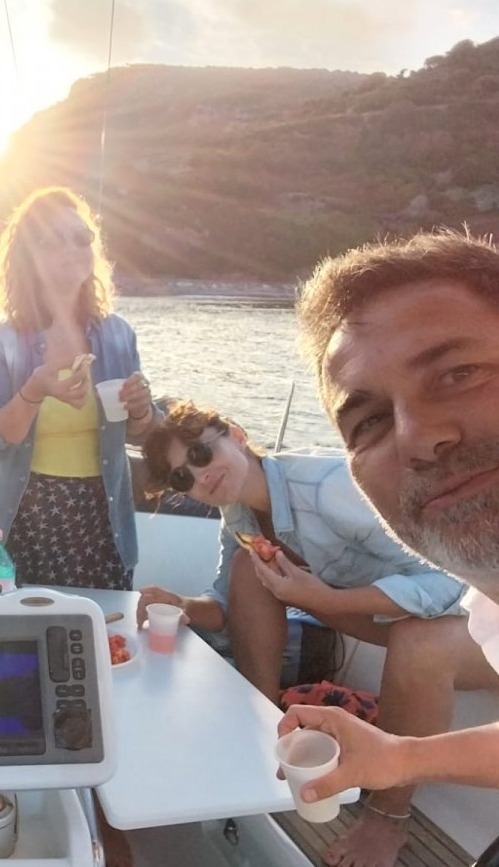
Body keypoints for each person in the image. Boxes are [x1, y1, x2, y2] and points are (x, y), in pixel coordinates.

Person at [275, 229, 499, 867]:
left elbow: (421, 602)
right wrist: (400, 755)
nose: (419, 439)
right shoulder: (491, 611)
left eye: (459, 374)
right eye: (368, 421)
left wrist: (320, 597)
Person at [138, 400, 469, 695]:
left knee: (415, 645)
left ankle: (393, 765)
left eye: (201, 453)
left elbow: (452, 580)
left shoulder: (327, 486)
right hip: (384, 619)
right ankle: (262, 719)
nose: (200, 476)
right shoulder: (239, 515)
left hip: (474, 617)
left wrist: (329, 600)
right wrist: (182, 605)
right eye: (182, 479)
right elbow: (226, 604)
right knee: (248, 568)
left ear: (237, 436)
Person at [0, 186, 156, 589]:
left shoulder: (118, 335)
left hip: (101, 518)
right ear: (27, 258)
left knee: (98, 637)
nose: (70, 247)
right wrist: (33, 390)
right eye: (51, 241)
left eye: (81, 237)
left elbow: (139, 433)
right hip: (22, 517)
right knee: (22, 641)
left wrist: (142, 409)